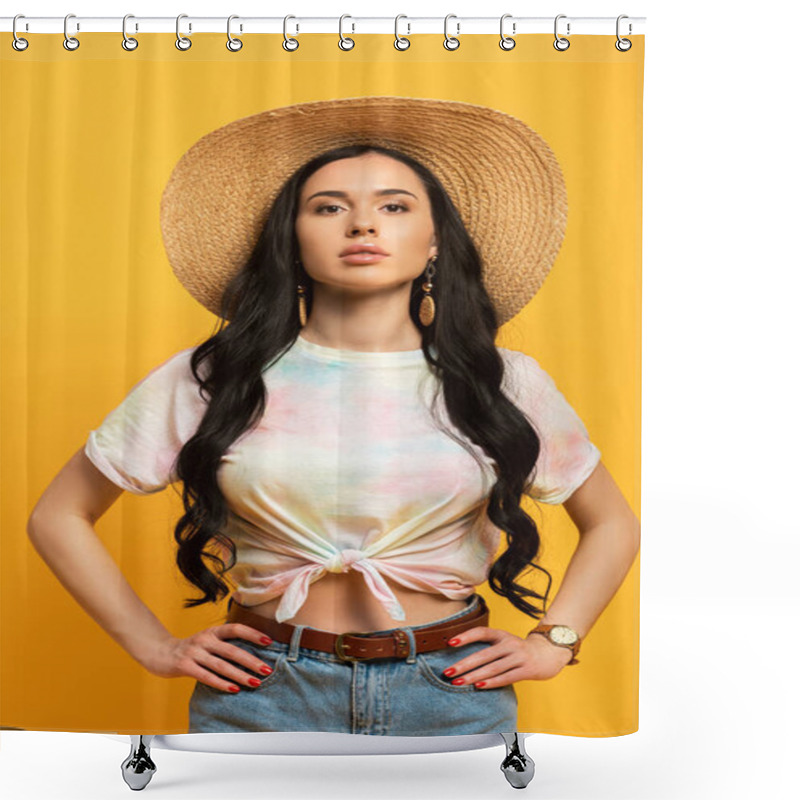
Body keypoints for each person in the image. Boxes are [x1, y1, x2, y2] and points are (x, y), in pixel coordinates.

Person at [27, 96, 641, 736]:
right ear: (291, 240)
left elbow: (613, 524)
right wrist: (156, 647)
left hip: (451, 691)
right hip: (260, 692)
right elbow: (58, 514)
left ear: (433, 243)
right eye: (329, 207)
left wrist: (555, 641)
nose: (363, 225)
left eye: (394, 206)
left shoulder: (504, 381)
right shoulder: (214, 377)